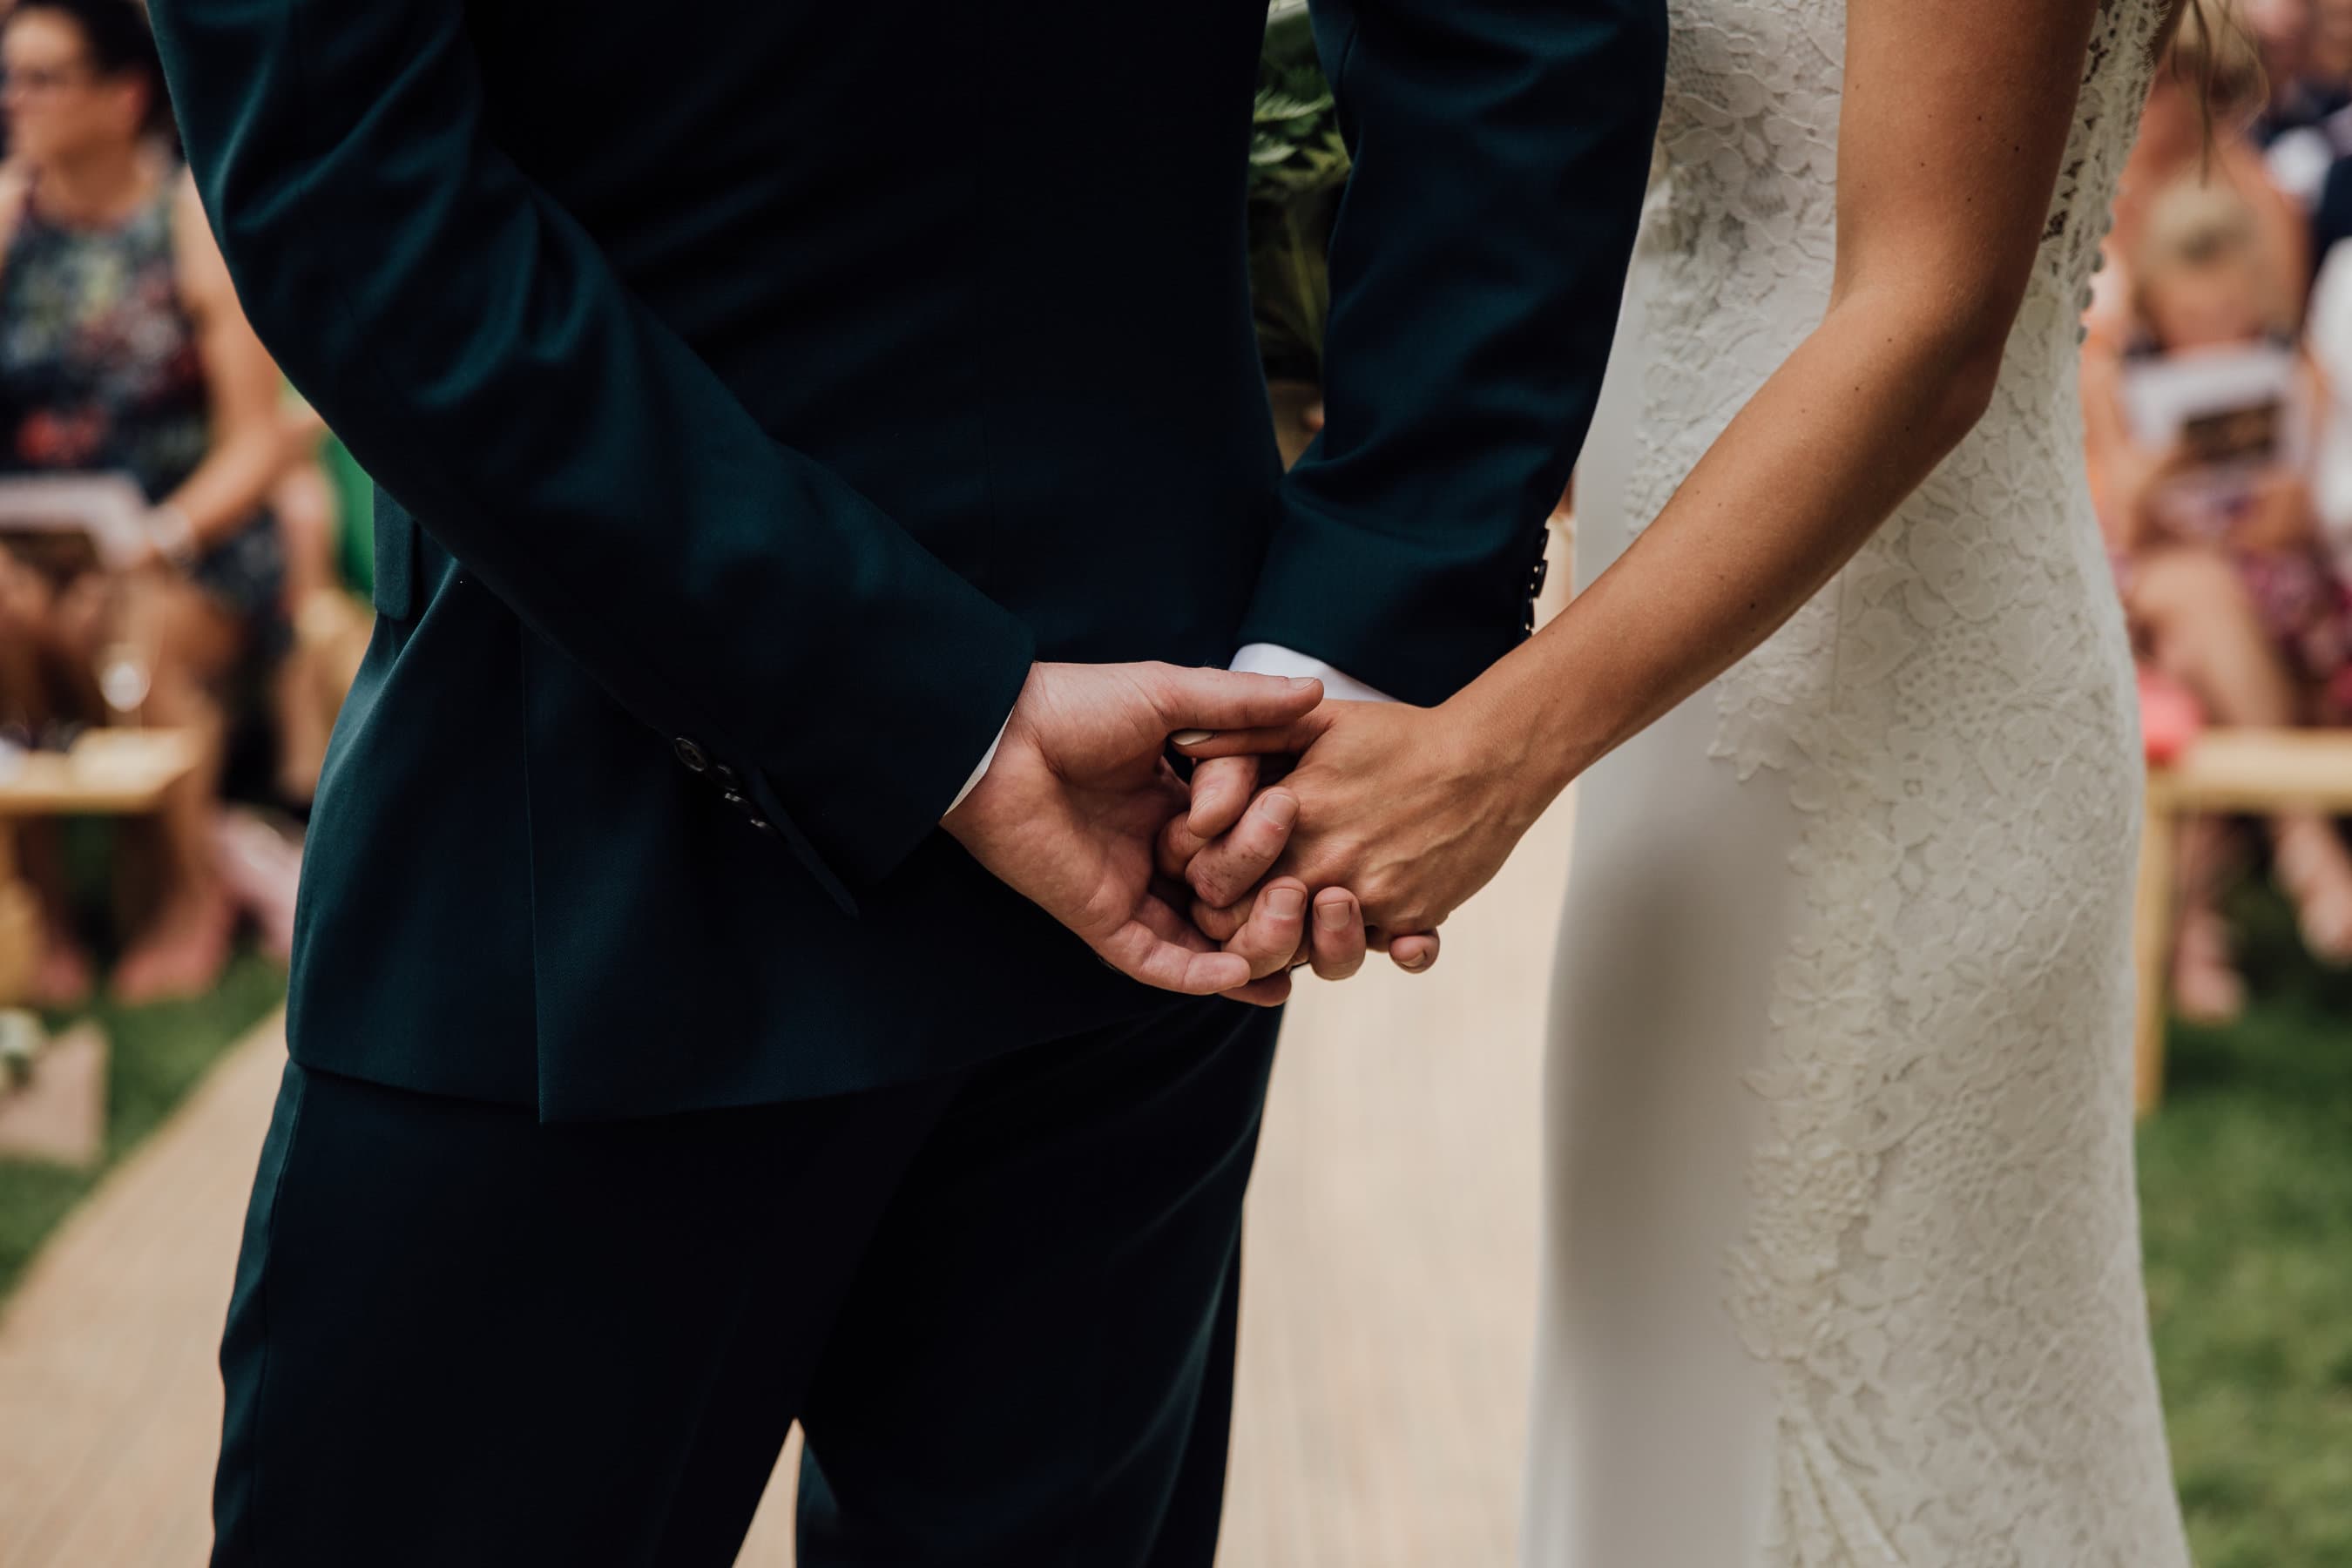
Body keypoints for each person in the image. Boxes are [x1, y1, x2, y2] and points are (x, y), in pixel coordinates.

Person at [146, 0, 1665, 1563]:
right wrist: (1355, 623)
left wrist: (951, 708)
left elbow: (349, 191)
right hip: (1153, 799)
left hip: (613, 849)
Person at [1168, 0, 2196, 1561]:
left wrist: (1488, 756)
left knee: (1851, 1428)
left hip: (1893, 736)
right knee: (1675, 1409)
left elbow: (1925, 322)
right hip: (1696, 723)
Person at [0, 0, 294, 1003]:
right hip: (33, 547)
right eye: (11, 76)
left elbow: (255, 446)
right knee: (8, 614)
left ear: (126, 96)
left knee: (136, 633)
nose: (16, 100)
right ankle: (35, 910)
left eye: (44, 78)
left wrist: (153, 541)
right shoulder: (7, 221)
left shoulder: (186, 218)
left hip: (190, 545)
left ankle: (186, 895)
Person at [2087, 179, 2352, 1016]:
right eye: (2194, 321)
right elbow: (2111, 524)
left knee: (2199, 640)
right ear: (2161, 311)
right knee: (2190, 600)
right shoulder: (2115, 382)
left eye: (2229, 317)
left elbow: (2304, 516)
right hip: (2168, 595)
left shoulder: (2293, 377)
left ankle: (2190, 931)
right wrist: (2156, 475)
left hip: (2265, 612)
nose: (2213, 339)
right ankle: (2303, 836)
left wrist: (2272, 506)